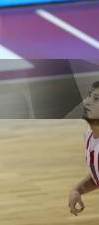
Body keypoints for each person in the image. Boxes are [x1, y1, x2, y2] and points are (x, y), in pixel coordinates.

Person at [68, 80, 99, 216]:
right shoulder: (90, 135)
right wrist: (78, 189)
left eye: (96, 99)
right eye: (89, 95)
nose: (86, 102)